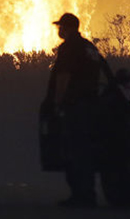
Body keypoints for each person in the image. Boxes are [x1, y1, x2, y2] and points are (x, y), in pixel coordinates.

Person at [49, 13, 103, 208]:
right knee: (85, 150)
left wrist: (57, 102)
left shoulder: (69, 48)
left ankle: (81, 195)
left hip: (75, 106)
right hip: (92, 106)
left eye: (61, 26)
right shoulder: (90, 47)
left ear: (69, 27)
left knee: (74, 151)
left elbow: (64, 76)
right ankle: (87, 193)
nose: (59, 30)